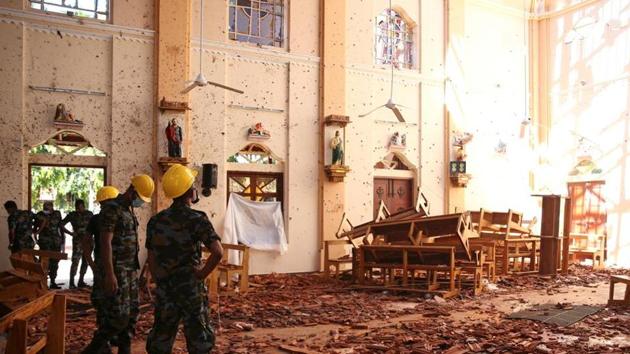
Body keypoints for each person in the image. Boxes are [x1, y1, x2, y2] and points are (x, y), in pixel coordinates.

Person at [146, 164, 223, 354]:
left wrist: (158, 278)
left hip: (166, 287)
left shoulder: (156, 220)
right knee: (199, 340)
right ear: (190, 191)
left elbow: (151, 255)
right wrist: (201, 274)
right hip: (190, 288)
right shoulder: (197, 219)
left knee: (161, 338)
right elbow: (218, 251)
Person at [82, 175, 154, 354]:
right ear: (132, 191)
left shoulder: (128, 209)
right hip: (116, 270)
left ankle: (125, 348)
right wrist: (109, 274)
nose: (140, 202)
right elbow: (105, 242)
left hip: (129, 270)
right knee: (117, 317)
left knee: (132, 313)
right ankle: (93, 348)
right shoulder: (111, 209)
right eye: (140, 197)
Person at [82, 186, 119, 353]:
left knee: (104, 303)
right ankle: (105, 341)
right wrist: (91, 263)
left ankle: (108, 338)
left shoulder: (98, 219)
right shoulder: (99, 219)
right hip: (112, 268)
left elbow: (86, 243)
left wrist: (91, 263)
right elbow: (87, 242)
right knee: (109, 303)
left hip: (104, 268)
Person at [62, 199, 94, 288]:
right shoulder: (72, 215)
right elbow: (61, 224)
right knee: (75, 261)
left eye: (80, 207)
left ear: (84, 206)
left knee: (86, 261)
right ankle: (72, 282)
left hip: (88, 242)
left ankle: (81, 281)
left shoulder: (89, 214)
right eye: (77, 208)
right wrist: (70, 233)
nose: (78, 209)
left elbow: (95, 225)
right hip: (78, 242)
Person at [35, 201, 64, 289]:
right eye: (44, 207)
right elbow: (36, 226)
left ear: (52, 207)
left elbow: (60, 226)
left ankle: (53, 282)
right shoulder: (39, 215)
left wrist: (63, 238)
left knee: (55, 262)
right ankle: (43, 282)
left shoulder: (57, 214)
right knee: (44, 262)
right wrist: (36, 237)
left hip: (56, 242)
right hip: (44, 242)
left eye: (47, 207)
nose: (46, 209)